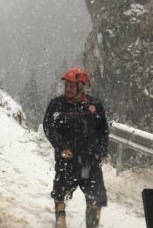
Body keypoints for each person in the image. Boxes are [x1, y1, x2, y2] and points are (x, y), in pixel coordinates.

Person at [43, 67, 109, 228]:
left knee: (96, 195)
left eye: (72, 86)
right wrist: (61, 146)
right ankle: (60, 219)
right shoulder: (57, 104)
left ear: (82, 87)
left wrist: (102, 151)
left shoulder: (94, 105)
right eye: (66, 86)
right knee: (61, 191)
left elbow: (103, 130)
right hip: (68, 159)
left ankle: (92, 224)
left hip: (91, 161)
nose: (67, 89)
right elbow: (49, 127)